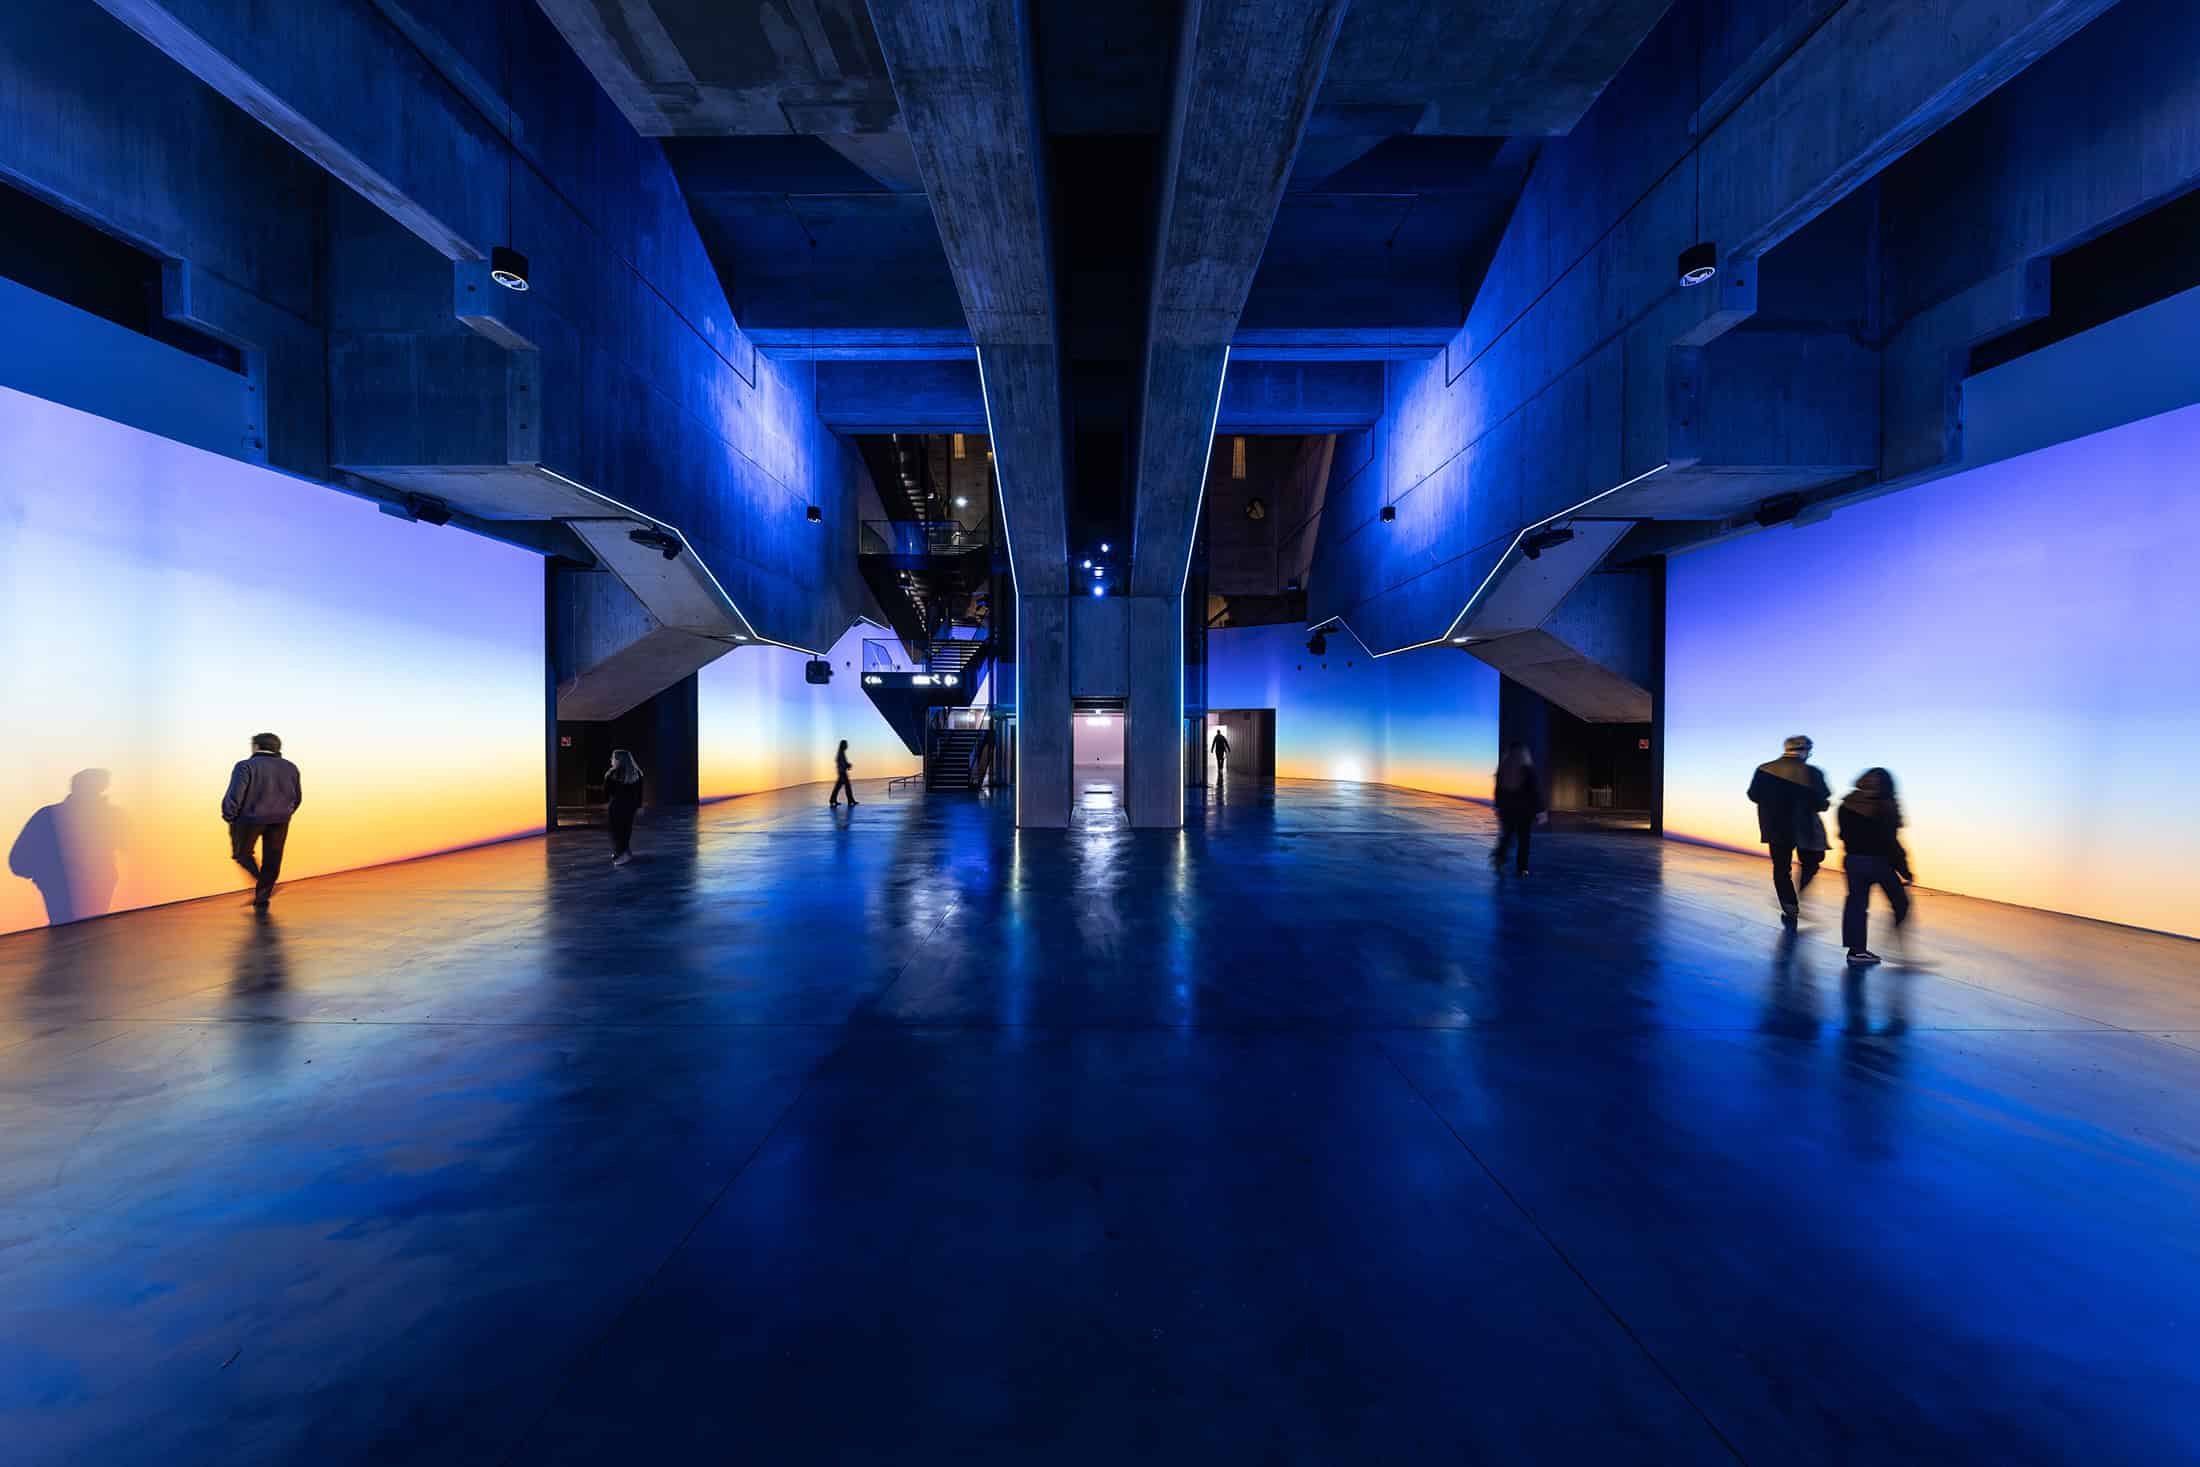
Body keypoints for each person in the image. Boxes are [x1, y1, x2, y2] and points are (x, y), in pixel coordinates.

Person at [1747, 734, 1832, 920]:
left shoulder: (1764, 768)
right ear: (1806, 751)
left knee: (1781, 867)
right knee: (1812, 862)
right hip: (1805, 828)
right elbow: (1822, 802)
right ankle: (1799, 892)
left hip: (1775, 827)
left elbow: (1753, 795)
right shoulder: (1813, 773)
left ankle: (1789, 905)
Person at [1837, 767, 1913, 966]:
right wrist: (1904, 870)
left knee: (1856, 905)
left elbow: (1842, 834)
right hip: (1878, 862)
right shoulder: (1885, 806)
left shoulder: (1847, 802)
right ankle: (1895, 944)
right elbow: (1891, 842)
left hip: (1853, 860)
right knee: (1901, 902)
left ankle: (1856, 951)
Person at [222, 732, 302, 908]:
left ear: (256, 746)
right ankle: (262, 896)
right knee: (273, 858)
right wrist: (286, 812)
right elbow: (297, 797)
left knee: (242, 853)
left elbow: (235, 794)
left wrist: (229, 815)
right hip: (280, 819)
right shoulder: (291, 767)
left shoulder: (245, 766)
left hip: (249, 819)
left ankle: (260, 879)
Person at [1491, 742, 1543, 876]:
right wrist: (1540, 810)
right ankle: (1522, 869)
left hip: (1507, 810)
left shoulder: (1503, 768)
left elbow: (1498, 790)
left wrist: (1498, 806)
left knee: (1507, 837)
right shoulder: (1527, 770)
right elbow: (1535, 792)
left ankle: (1499, 859)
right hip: (1524, 812)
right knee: (1524, 841)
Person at [606, 749, 644, 866]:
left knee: (616, 831)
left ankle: (620, 853)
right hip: (630, 807)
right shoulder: (637, 773)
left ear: (619, 760)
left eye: (613, 758)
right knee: (626, 830)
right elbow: (639, 793)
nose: (611, 760)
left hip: (616, 806)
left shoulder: (612, 773)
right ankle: (624, 852)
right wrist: (638, 806)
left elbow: (608, 791)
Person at [829, 739, 858, 806]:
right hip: (842, 773)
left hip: (842, 772)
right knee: (847, 786)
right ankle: (850, 800)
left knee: (838, 787)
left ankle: (833, 800)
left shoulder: (841, 753)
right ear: (843, 745)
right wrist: (847, 765)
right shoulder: (841, 753)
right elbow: (841, 763)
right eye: (845, 744)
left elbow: (841, 762)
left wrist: (847, 765)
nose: (847, 746)